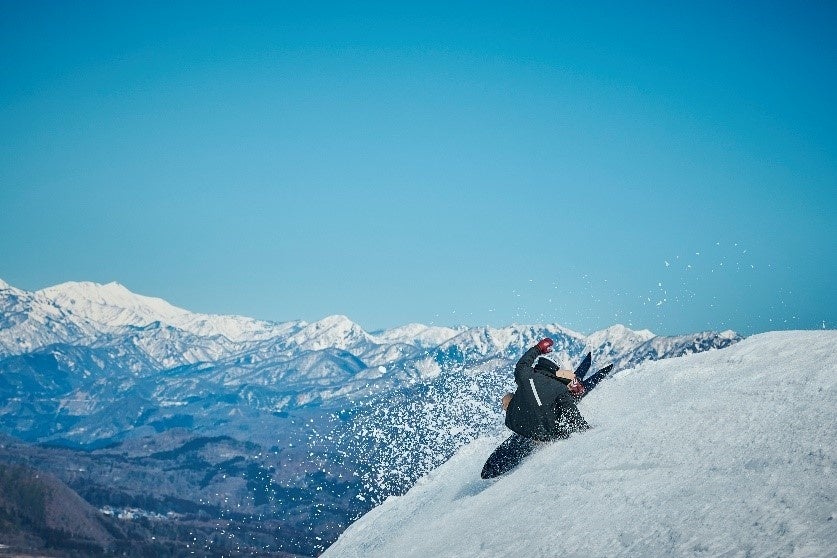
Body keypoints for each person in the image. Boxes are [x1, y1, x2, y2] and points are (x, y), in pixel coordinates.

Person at [481, 337, 589, 479]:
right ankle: (573, 393)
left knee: (509, 397)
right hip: (544, 434)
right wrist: (586, 429)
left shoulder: (525, 374)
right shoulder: (559, 388)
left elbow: (523, 363)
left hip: (516, 423)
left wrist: (538, 348)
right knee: (562, 407)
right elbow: (571, 415)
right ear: (555, 371)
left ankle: (532, 417)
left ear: (539, 368)